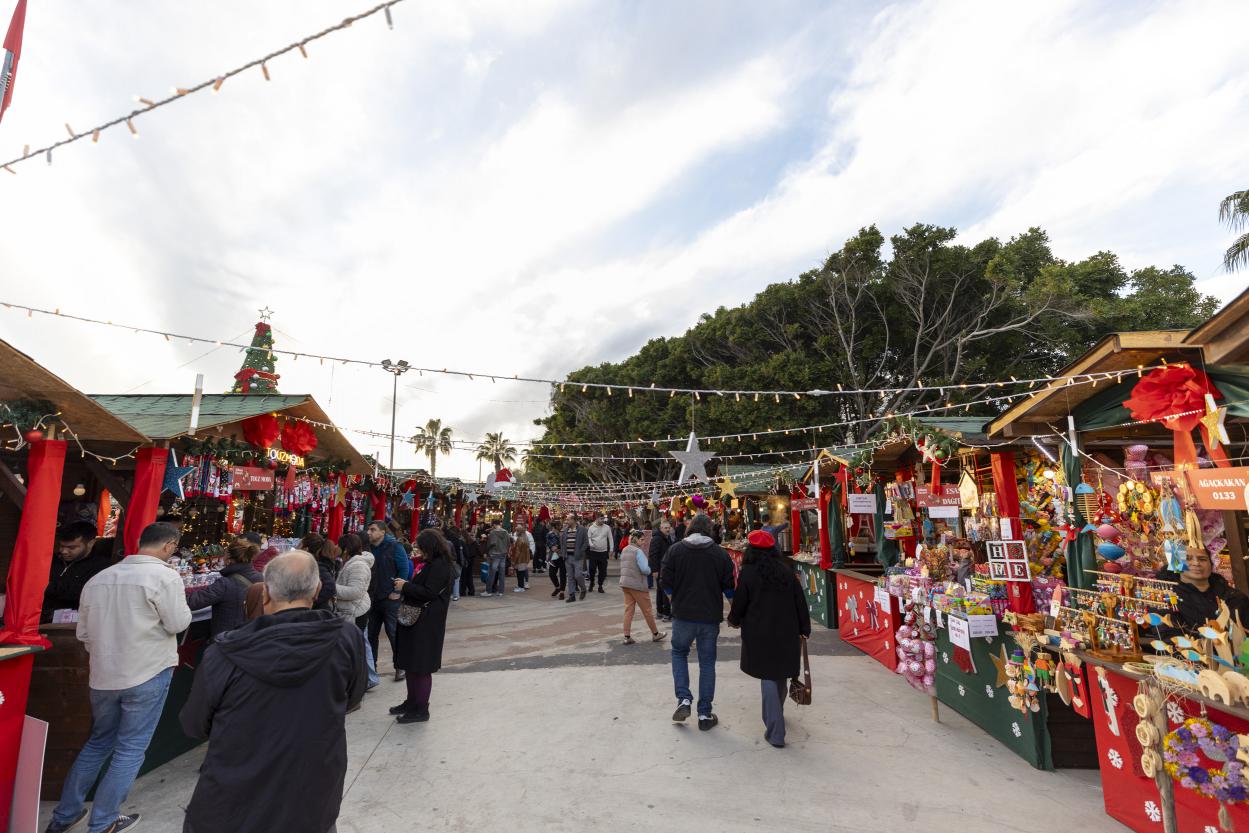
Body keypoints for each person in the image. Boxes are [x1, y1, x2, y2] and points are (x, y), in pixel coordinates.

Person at [180, 551, 366, 833]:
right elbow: (353, 697)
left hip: (235, 795)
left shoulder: (224, 652)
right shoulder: (345, 638)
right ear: (316, 590)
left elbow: (194, 723)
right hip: (314, 787)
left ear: (264, 593)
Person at [44, 522, 191, 833]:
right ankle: (104, 821)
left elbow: (83, 632)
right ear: (169, 546)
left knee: (98, 743)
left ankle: (65, 816)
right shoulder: (165, 576)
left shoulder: (100, 578)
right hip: (147, 671)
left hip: (103, 675)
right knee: (130, 748)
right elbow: (178, 622)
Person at [726, 530, 812, 748]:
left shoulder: (748, 573)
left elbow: (740, 603)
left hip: (759, 633)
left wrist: (733, 620)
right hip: (787, 631)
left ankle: (775, 730)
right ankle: (777, 716)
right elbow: (799, 601)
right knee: (780, 674)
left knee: (767, 676)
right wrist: (804, 628)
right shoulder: (786, 570)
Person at [661, 513, 735, 731]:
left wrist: (675, 600)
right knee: (707, 663)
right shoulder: (719, 554)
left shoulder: (675, 550)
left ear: (690, 528)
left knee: (679, 653)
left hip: (683, 616)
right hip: (709, 618)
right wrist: (735, 613)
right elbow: (729, 587)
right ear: (710, 530)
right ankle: (704, 714)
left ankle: (683, 699)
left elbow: (665, 582)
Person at [389, 528, 454, 723]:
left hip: (427, 622)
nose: (418, 549)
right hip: (416, 620)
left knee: (421, 666)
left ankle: (421, 709)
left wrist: (405, 586)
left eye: (421, 546)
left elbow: (429, 592)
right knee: (411, 663)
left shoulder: (441, 566)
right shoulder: (430, 563)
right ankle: (411, 702)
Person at [1157, 546, 1249, 634]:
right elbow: (1169, 640)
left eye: (1202, 559)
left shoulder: (1235, 597)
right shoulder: (1166, 599)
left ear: (1210, 563)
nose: (1196, 563)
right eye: (1188, 558)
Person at [186, 539, 263, 637]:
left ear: (229, 558)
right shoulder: (262, 578)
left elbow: (192, 602)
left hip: (228, 641)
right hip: (255, 637)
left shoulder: (225, 584)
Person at [366, 520, 412, 682]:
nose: (369, 532)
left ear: (382, 532)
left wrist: (397, 591)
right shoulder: (368, 547)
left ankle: (400, 667)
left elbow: (404, 568)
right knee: (371, 634)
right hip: (373, 597)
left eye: (373, 530)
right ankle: (372, 668)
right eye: (368, 530)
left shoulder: (394, 546)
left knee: (393, 633)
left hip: (390, 598)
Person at [42, 520, 110, 622]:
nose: (64, 551)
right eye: (61, 546)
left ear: (91, 543)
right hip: (41, 619)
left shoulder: (102, 566)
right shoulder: (51, 560)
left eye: (71, 547)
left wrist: (46, 586)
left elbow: (82, 592)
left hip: (73, 624)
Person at [336, 532, 379, 690]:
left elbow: (355, 591)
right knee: (362, 645)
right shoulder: (351, 563)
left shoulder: (358, 565)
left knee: (357, 648)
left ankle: (362, 681)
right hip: (352, 609)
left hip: (356, 611)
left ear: (346, 549)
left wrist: (330, 588)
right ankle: (367, 678)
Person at [620, 529, 666, 645]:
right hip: (638, 584)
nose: (644, 542)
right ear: (636, 539)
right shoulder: (638, 552)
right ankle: (655, 634)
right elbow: (645, 569)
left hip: (625, 583)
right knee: (647, 610)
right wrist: (650, 570)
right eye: (642, 539)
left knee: (628, 610)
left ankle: (627, 636)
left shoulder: (625, 550)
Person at [649, 519, 677, 622]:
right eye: (665, 528)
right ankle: (666, 613)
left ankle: (660, 612)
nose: (668, 530)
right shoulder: (657, 539)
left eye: (669, 528)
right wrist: (655, 570)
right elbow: (653, 555)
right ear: (661, 528)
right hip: (661, 568)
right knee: (664, 591)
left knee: (661, 590)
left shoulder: (667, 538)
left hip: (665, 568)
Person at [586, 514, 614, 593]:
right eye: (601, 519)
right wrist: (591, 544)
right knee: (592, 569)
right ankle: (592, 582)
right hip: (593, 552)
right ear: (597, 519)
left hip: (603, 552)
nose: (603, 520)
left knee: (603, 570)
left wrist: (611, 549)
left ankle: (600, 585)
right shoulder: (591, 528)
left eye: (603, 519)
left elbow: (610, 538)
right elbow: (588, 538)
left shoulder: (607, 527)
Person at [484, 519, 511, 597]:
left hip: (494, 554)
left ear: (494, 525)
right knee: (501, 573)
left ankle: (488, 591)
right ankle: (501, 591)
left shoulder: (493, 533)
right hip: (503, 554)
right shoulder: (506, 532)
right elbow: (509, 543)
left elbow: (490, 544)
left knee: (492, 573)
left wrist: (487, 551)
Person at [566, 514, 587, 603]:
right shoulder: (566, 530)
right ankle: (572, 595)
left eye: (568, 519)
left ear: (573, 520)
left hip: (578, 557)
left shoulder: (582, 529)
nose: (566, 521)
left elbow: (586, 542)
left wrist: (580, 552)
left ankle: (583, 588)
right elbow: (563, 541)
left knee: (578, 575)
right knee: (570, 577)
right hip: (568, 557)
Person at [459, 525, 480, 597]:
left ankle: (462, 591)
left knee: (463, 577)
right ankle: (471, 591)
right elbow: (478, 550)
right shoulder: (473, 541)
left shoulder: (462, 542)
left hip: (465, 560)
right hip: (472, 560)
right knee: (469, 576)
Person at [547, 521, 565, 598]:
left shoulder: (563, 533)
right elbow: (548, 543)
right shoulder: (550, 534)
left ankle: (562, 591)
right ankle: (557, 587)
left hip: (562, 556)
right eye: (559, 525)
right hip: (554, 556)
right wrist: (553, 547)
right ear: (555, 526)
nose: (561, 526)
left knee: (563, 574)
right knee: (551, 573)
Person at [511, 528, 532, 592]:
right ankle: (521, 586)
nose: (515, 532)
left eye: (516, 531)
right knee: (522, 573)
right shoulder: (525, 539)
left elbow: (517, 551)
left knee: (519, 573)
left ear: (519, 532)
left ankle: (521, 587)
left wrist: (514, 560)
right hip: (524, 559)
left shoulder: (519, 540)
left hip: (520, 559)